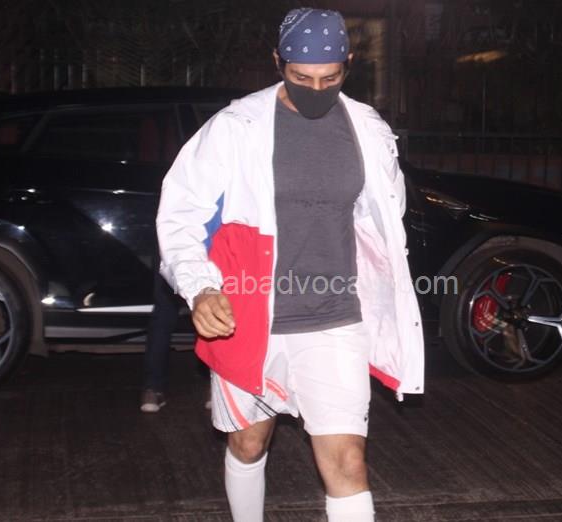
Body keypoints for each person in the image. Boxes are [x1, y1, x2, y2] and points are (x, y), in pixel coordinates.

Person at [156, 7, 424, 521]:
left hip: (335, 317)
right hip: (249, 316)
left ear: (348, 64)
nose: (316, 89)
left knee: (347, 461)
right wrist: (200, 287)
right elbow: (180, 212)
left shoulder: (367, 129)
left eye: (330, 78)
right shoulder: (236, 127)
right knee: (249, 444)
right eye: (302, 78)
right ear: (278, 62)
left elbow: (384, 218)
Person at [140, 253, 182, 413]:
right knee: (208, 308)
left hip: (170, 248)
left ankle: (152, 390)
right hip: (205, 245)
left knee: (164, 313)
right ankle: (214, 389)